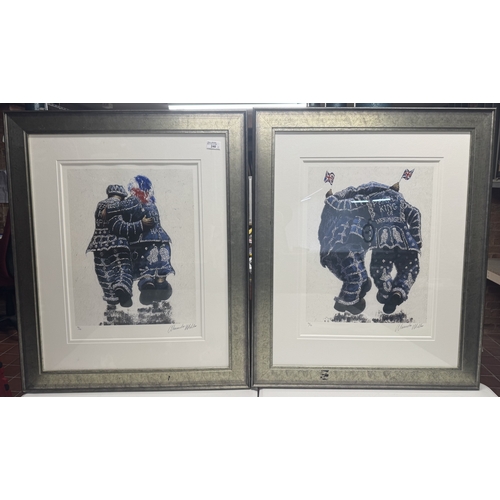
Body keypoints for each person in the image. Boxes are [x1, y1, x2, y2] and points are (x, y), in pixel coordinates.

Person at [110, 175, 175, 304]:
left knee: (145, 270)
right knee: (160, 271)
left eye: (132, 190)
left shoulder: (134, 201)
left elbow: (121, 209)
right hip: (162, 242)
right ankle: (160, 287)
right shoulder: (152, 203)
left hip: (143, 242)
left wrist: (109, 210)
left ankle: (147, 286)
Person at [86, 185, 152, 307]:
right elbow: (120, 227)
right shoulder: (117, 206)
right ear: (122, 196)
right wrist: (140, 224)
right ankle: (122, 289)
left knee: (104, 272)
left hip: (98, 245)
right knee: (123, 269)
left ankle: (112, 298)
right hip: (117, 244)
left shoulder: (100, 204)